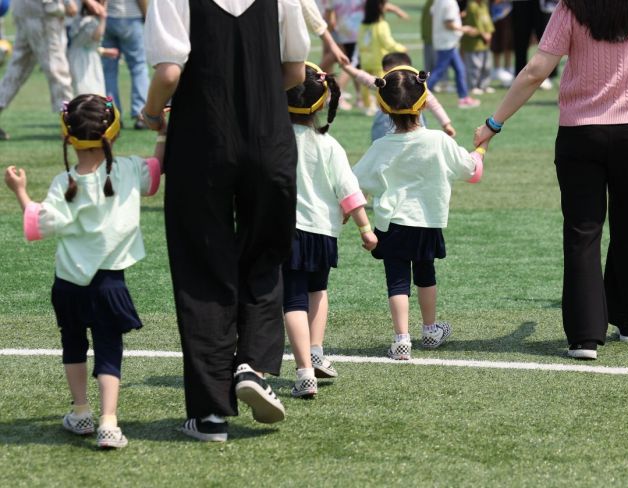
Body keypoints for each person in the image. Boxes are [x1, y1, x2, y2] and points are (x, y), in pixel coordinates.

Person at [142, 0, 309, 442]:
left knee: (202, 267)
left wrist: (151, 110)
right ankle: (252, 365)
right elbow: (295, 70)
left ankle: (210, 412)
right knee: (264, 255)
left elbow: (169, 73)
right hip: (269, 137)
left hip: (203, 137)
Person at [474, 0, 628, 360]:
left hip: (581, 132)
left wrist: (494, 123)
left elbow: (537, 70)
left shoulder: (572, 8)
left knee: (583, 231)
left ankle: (584, 338)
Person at [3, 94, 164, 449]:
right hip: (110, 284)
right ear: (113, 132)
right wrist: (163, 132)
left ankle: (80, 412)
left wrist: (20, 192)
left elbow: (39, 225)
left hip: (68, 284)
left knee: (72, 344)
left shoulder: (65, 183)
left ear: (68, 136)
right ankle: (109, 422)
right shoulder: (126, 170)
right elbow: (155, 173)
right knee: (109, 349)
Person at [353, 66, 486, 360]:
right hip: (427, 221)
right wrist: (481, 148)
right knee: (426, 273)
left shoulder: (381, 146)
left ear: (382, 107)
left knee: (397, 280)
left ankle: (401, 339)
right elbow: (471, 170)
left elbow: (353, 184)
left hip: (391, 224)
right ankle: (429, 330)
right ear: (424, 102)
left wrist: (351, 215)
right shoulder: (439, 140)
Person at [284, 62, 377, 398]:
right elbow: (349, 193)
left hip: (287, 230)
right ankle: (316, 351)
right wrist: (365, 229)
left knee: (292, 299)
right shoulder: (330, 146)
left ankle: (304, 373)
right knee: (317, 291)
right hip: (324, 232)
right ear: (322, 103)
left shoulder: (274, 141)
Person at [0, 0, 77, 140]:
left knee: (17, 68)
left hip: (24, 10)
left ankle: (69, 122)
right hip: (42, 11)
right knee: (57, 68)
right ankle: (70, 124)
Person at [341, 51, 455, 141]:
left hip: (414, 134)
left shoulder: (419, 89)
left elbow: (435, 105)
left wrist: (446, 124)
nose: (396, 78)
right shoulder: (385, 85)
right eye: (389, 73)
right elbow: (364, 78)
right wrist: (347, 68)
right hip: (384, 133)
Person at [101, 0, 149, 129]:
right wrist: (146, 15)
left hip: (107, 17)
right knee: (138, 67)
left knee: (108, 71)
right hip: (131, 16)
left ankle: (112, 114)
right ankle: (140, 113)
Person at [428, 0, 481, 108]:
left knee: (460, 69)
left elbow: (433, 14)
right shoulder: (450, 2)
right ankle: (418, 95)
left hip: (443, 40)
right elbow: (448, 23)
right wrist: (465, 29)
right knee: (439, 71)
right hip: (448, 42)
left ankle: (464, 98)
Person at [356, 0, 406, 114]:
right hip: (379, 61)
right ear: (380, 7)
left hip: (365, 60)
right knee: (383, 85)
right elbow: (387, 43)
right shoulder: (381, 25)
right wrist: (401, 48)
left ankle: (368, 106)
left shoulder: (363, 25)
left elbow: (360, 41)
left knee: (365, 84)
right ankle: (383, 105)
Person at [68, 0, 120, 96]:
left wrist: (103, 51)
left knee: (94, 89)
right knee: (85, 89)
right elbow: (96, 37)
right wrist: (103, 18)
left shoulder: (88, 20)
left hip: (88, 60)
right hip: (81, 62)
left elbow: (88, 46)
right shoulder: (89, 21)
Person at [511, 0, 557, 90]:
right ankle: (519, 75)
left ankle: (547, 75)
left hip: (543, 4)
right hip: (521, 3)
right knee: (520, 36)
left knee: (545, 37)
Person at [462, 0, 495, 95]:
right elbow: (476, 23)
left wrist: (489, 32)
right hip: (474, 42)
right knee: (474, 66)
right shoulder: (472, 5)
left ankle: (484, 86)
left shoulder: (484, 5)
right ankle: (473, 86)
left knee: (487, 66)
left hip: (485, 43)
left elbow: (488, 20)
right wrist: (484, 34)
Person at [489, 0, 514, 87]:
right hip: (495, 14)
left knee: (509, 41)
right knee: (497, 42)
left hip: (509, 11)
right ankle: (497, 68)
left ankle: (508, 67)